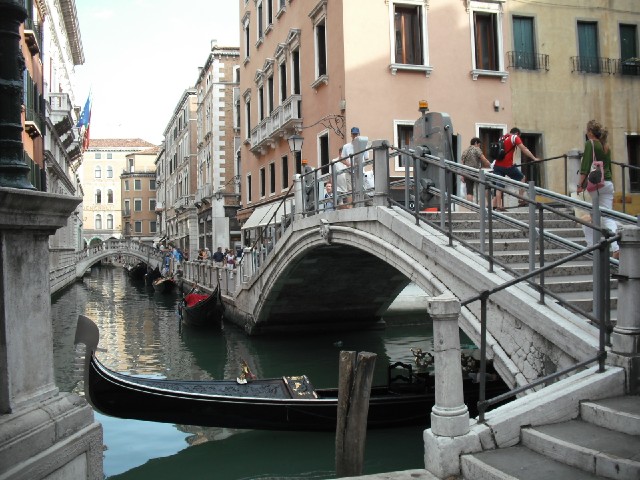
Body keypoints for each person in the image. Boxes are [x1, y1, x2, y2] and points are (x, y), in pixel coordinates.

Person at [577, 120, 620, 259]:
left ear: (590, 131)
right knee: (607, 217)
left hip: (596, 184)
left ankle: (591, 246)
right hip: (607, 183)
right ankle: (615, 247)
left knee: (591, 217)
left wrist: (580, 184)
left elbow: (585, 165)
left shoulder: (591, 144)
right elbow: (608, 166)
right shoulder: (606, 145)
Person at [492, 127, 538, 211]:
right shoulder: (514, 137)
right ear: (517, 133)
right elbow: (524, 149)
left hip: (497, 166)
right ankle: (520, 199)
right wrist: (534, 158)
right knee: (522, 178)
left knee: (499, 185)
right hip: (508, 166)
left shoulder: (502, 137)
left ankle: (499, 206)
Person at [461, 137, 491, 203]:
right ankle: (488, 204)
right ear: (476, 143)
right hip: (476, 172)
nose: (479, 146)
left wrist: (462, 175)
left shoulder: (465, 151)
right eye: (479, 145)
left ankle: (471, 208)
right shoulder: (476, 149)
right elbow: (484, 160)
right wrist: (490, 165)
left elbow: (462, 163)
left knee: (469, 191)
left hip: (466, 172)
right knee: (487, 184)